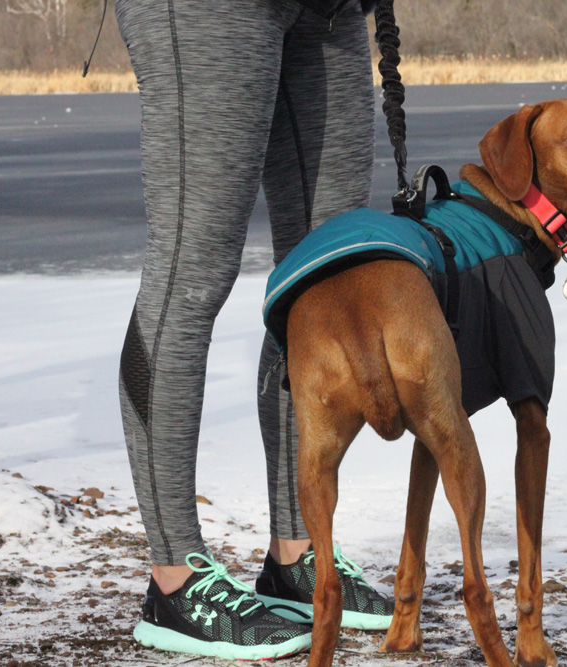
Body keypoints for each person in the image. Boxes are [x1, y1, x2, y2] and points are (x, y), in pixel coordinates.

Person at [114, 0, 392, 659]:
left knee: (322, 277)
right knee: (194, 267)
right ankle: (174, 579)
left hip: (330, 11)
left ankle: (296, 553)